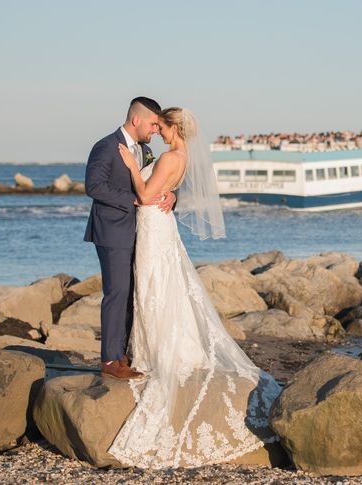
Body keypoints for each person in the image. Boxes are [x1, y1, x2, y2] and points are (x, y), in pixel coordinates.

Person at [107, 107, 281, 468]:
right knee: (162, 287)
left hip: (154, 228)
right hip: (158, 226)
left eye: (160, 125)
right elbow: (165, 189)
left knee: (155, 288)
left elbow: (142, 196)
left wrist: (128, 165)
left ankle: (159, 353)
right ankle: (155, 348)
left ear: (173, 128)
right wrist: (169, 194)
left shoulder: (171, 156)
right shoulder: (180, 157)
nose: (156, 129)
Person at [83, 97, 176, 380]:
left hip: (142, 234)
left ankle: (123, 354)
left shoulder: (144, 151)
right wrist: (135, 200)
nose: (156, 131)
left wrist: (173, 196)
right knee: (117, 293)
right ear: (136, 120)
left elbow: (155, 184)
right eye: (153, 124)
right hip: (112, 231)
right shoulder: (106, 146)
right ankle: (110, 361)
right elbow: (94, 186)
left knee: (134, 294)